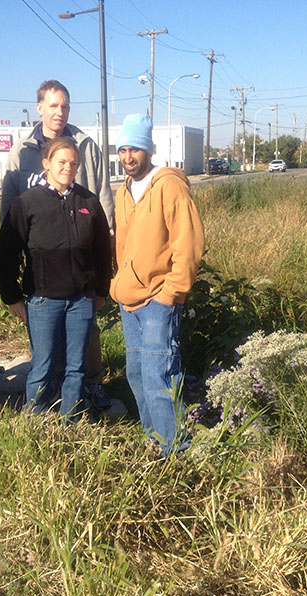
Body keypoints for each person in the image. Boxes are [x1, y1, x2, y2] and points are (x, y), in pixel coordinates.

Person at [1, 80, 114, 410]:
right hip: (41, 277)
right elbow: (10, 219)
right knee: (45, 352)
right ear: (39, 107)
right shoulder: (21, 151)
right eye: (52, 105)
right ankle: (40, 407)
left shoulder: (85, 145)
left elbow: (101, 201)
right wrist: (15, 281)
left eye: (64, 106)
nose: (59, 112)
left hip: (81, 272)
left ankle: (88, 389)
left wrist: (101, 278)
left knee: (83, 343)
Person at [111, 114, 204, 456]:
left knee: (159, 378)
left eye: (134, 148)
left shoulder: (168, 185)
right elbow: (123, 246)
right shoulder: (123, 191)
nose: (127, 156)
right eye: (122, 149)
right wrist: (119, 281)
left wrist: (171, 294)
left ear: (148, 149)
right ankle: (154, 441)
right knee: (136, 375)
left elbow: (189, 243)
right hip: (129, 300)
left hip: (157, 301)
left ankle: (175, 452)